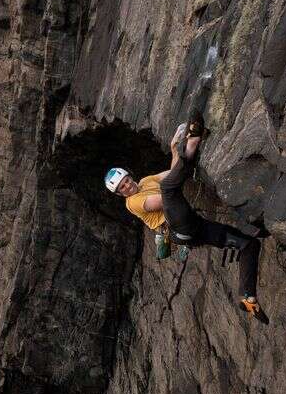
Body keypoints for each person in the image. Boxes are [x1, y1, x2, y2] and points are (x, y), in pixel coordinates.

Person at [104, 110, 266, 321]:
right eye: (122, 188)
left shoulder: (145, 181)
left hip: (194, 228)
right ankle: (192, 142)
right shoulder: (132, 203)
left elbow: (172, 174)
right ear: (120, 194)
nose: (127, 186)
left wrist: (173, 150)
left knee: (248, 244)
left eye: (125, 180)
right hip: (177, 228)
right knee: (169, 190)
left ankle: (248, 297)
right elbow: (164, 198)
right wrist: (183, 152)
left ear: (129, 175)